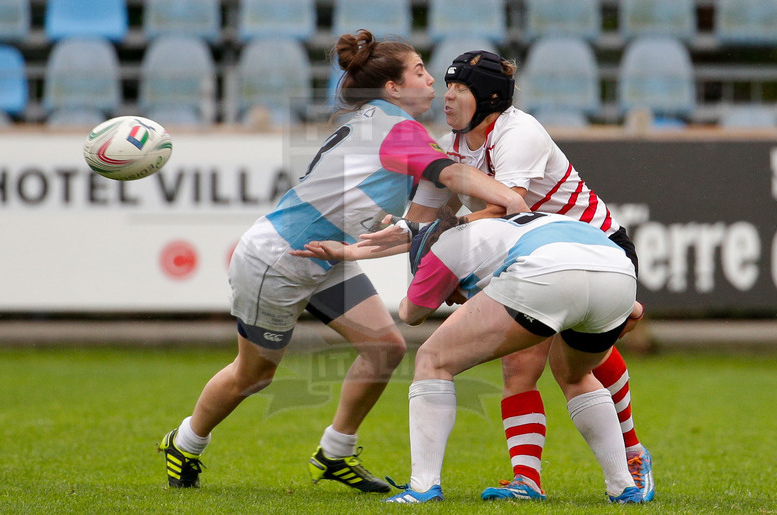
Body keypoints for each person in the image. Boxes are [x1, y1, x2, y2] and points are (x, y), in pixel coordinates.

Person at [156, 30, 527, 493]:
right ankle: (185, 442)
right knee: (254, 375)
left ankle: (335, 452)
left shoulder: (383, 123)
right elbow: (450, 175)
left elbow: (420, 219)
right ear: (393, 88)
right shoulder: (395, 129)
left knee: (385, 348)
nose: (432, 80)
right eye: (419, 71)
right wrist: (512, 198)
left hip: (324, 256)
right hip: (278, 258)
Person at [362, 49, 653, 502]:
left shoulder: (518, 132)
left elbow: (506, 207)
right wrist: (369, 243)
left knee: (566, 364)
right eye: (448, 85)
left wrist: (445, 244)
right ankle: (527, 480)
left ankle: (632, 453)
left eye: (460, 88)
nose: (447, 96)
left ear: (490, 99)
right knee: (523, 364)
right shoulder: (450, 144)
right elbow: (422, 223)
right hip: (532, 256)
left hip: (598, 246)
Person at [383, 208, 644, 504]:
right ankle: (623, 486)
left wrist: (421, 285)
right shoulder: (504, 231)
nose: (450, 302)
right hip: (619, 273)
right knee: (577, 376)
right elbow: (634, 311)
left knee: (431, 360)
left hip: (545, 273)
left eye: (446, 296)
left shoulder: (440, 249)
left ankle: (422, 486)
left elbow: (412, 314)